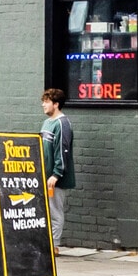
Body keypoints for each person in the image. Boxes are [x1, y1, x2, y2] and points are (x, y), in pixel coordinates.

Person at [40, 88, 76, 247]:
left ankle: (54, 245)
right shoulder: (47, 123)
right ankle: (48, 243)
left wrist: (56, 174)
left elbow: (63, 150)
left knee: (55, 212)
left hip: (55, 179)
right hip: (45, 176)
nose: (43, 105)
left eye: (46, 102)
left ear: (56, 104)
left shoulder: (62, 124)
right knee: (46, 211)